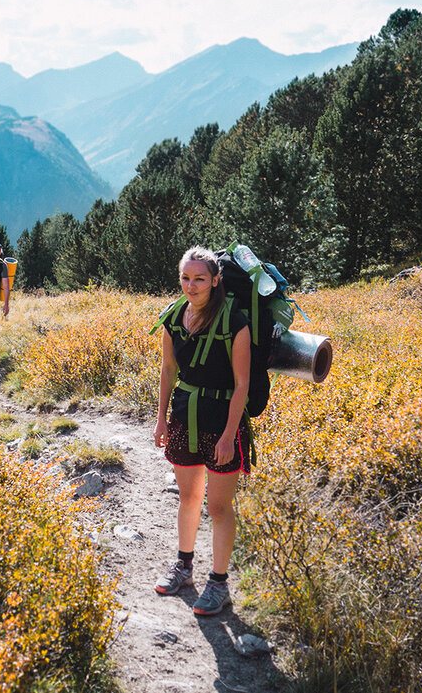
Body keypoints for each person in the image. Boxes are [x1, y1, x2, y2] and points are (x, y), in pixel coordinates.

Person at [152, 246, 251, 616]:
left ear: (215, 281)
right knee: (188, 498)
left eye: (199, 279)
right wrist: (161, 418)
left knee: (219, 506)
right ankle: (184, 565)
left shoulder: (234, 322)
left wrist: (229, 435)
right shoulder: (174, 316)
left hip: (221, 423)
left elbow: (241, 384)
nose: (191, 286)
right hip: (184, 418)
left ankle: (219, 582)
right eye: (185, 278)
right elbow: (167, 370)